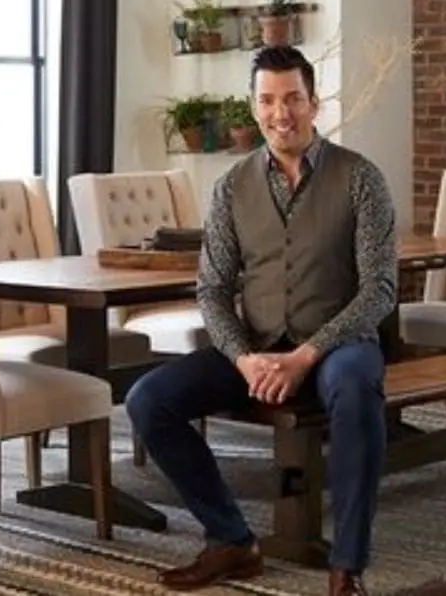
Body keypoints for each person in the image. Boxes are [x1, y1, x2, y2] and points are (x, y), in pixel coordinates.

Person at [125, 45, 397, 596]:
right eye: (268, 101)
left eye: (293, 98)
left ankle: (347, 566)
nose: (281, 113)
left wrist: (306, 354)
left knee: (356, 389)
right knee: (148, 400)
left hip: (338, 344)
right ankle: (231, 540)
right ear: (254, 110)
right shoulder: (230, 188)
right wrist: (244, 358)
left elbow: (381, 290)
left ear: (314, 103)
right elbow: (213, 289)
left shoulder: (361, 179)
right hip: (256, 344)